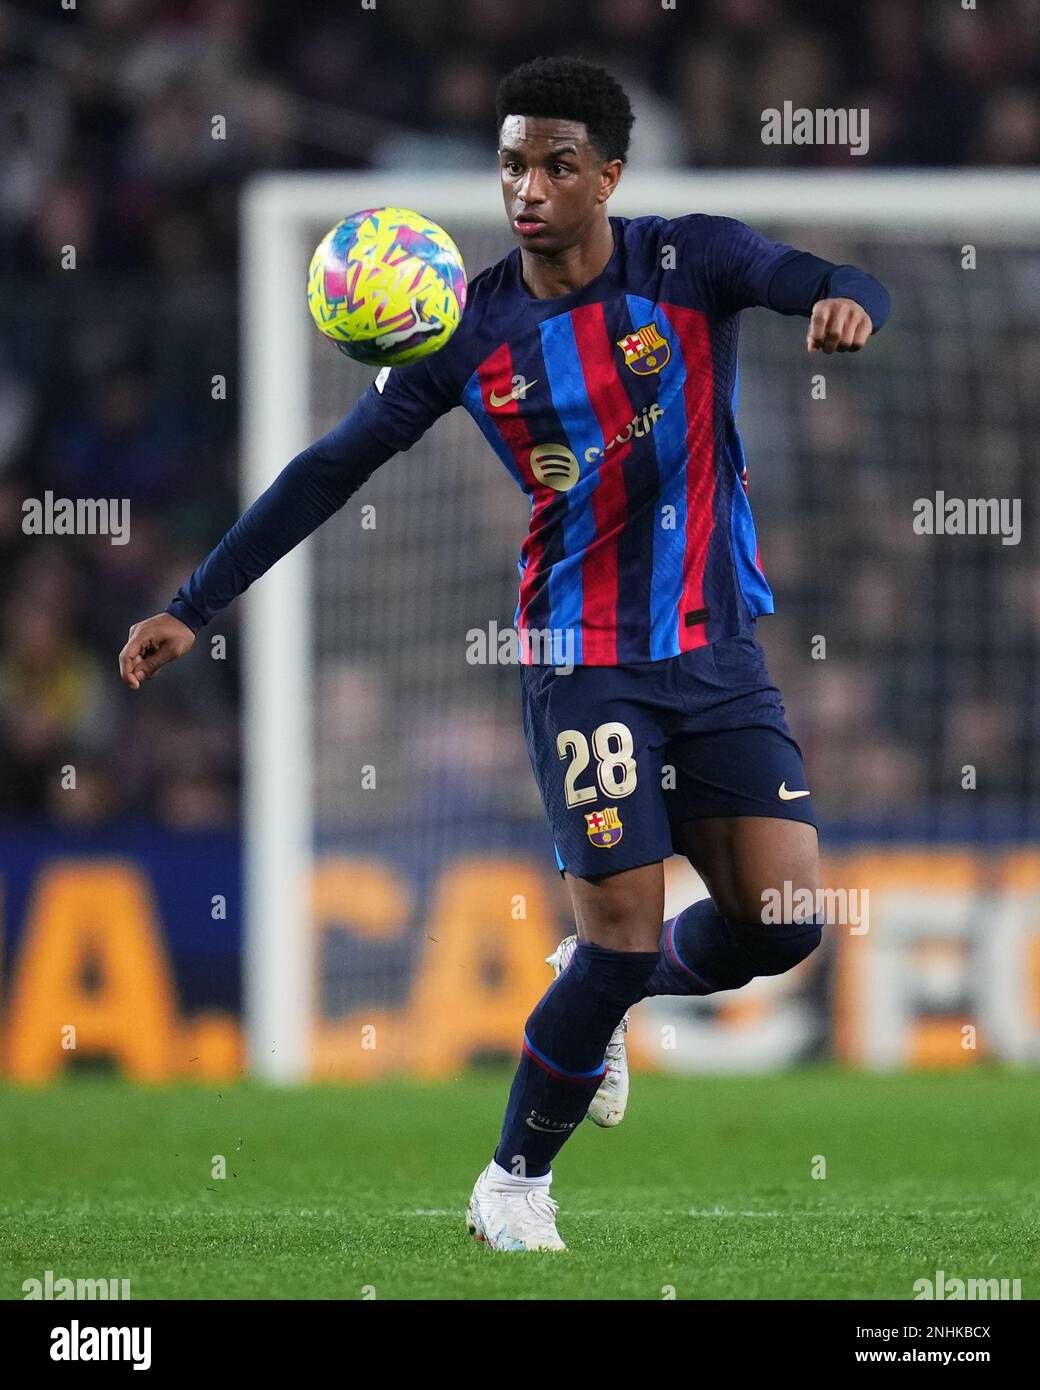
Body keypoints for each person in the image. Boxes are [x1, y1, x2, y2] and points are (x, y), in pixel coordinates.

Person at [119, 56, 890, 1251]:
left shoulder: (689, 261)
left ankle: (607, 986)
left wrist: (850, 306)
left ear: (609, 176)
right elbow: (328, 471)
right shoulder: (465, 328)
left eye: (555, 165)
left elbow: (830, 276)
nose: (526, 187)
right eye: (512, 164)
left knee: (781, 923)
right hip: (581, 657)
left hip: (715, 648)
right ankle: (512, 1185)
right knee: (624, 930)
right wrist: (195, 601)